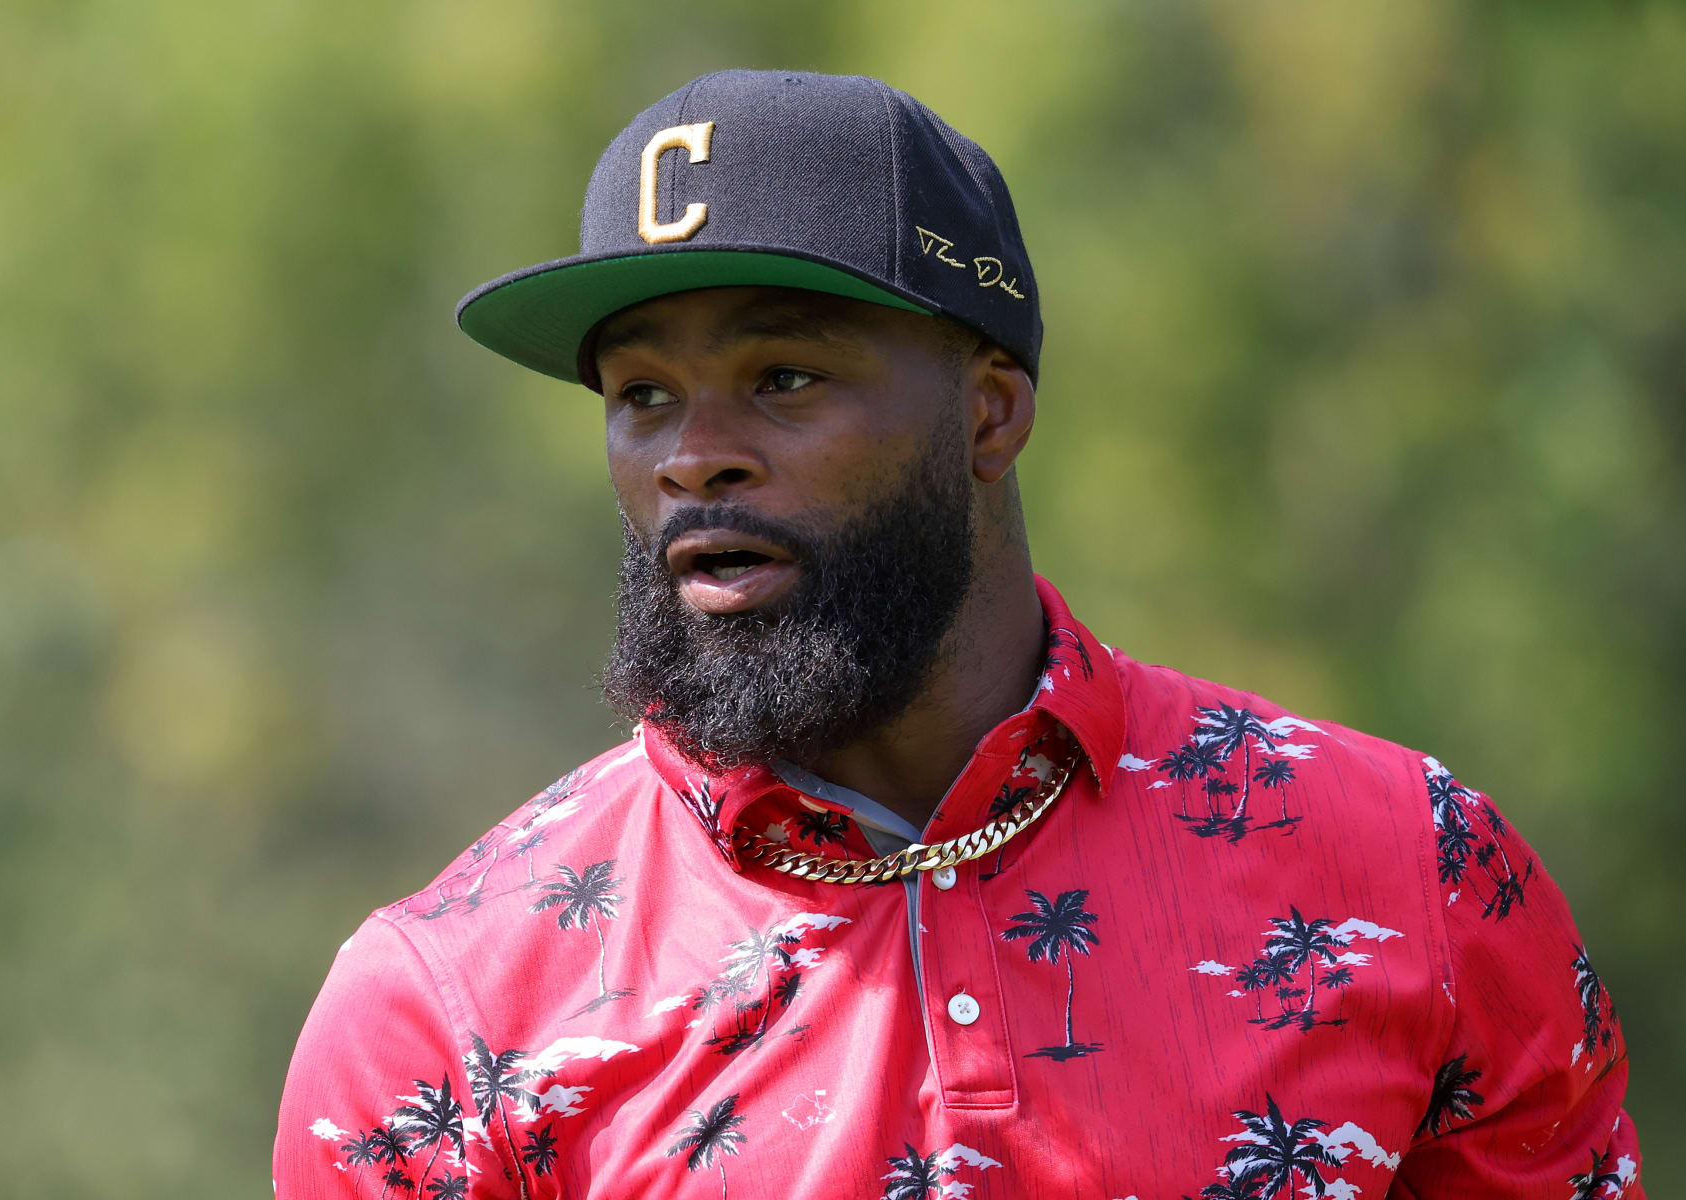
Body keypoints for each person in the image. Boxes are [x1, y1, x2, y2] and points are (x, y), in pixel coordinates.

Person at [273, 69, 1641, 1199]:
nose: (696, 457)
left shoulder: (1410, 872)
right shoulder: (446, 1012)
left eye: (783, 376)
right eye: (641, 395)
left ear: (989, 413)